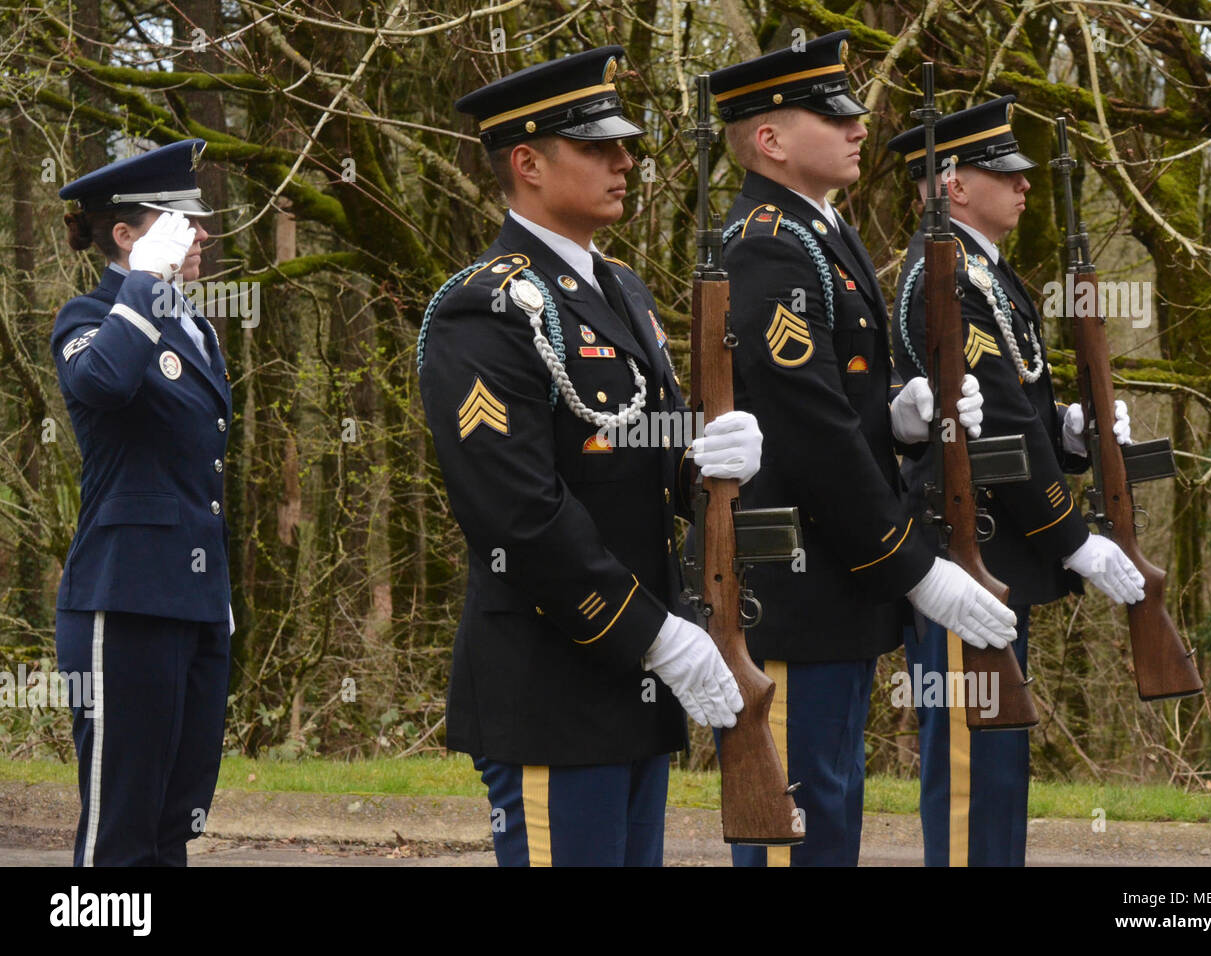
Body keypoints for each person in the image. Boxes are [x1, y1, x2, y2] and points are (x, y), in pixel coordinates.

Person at [418, 46, 766, 867]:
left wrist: (709, 461)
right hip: (553, 686)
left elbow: (639, 454)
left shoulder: (623, 291)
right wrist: (658, 637)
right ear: (529, 163)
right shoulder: (487, 307)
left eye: (626, 144)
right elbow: (517, 511)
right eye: (598, 147)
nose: (625, 160)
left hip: (634, 688)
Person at [707, 32, 1017, 867]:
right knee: (801, 819)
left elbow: (841, 407)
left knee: (833, 805)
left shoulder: (818, 232)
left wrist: (899, 417)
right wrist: (915, 565)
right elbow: (809, 433)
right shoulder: (768, 242)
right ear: (770, 140)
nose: (856, 126)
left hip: (835, 588)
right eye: (830, 113)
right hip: (802, 585)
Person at [887, 95, 1144, 866]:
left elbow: (1018, 401)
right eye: (1003, 173)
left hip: (998, 550)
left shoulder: (986, 275)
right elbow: (991, 423)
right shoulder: (944, 280)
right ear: (952, 185)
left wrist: (1069, 432)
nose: (1024, 186)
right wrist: (1074, 540)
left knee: (998, 771)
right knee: (974, 771)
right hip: (970, 553)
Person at [53, 139, 233, 866]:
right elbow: (102, 385)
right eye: (178, 221)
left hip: (195, 601)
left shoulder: (198, 328)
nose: (201, 234)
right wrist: (143, 285)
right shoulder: (88, 318)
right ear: (127, 235)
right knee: (120, 830)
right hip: (124, 597)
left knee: (172, 825)